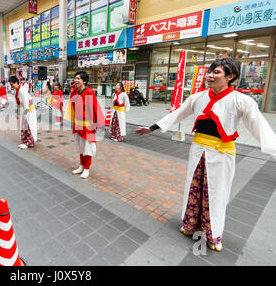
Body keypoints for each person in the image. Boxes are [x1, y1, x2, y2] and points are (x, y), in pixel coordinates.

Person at [135, 58, 276, 252]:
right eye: (210, 71)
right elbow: (177, 114)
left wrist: (273, 148)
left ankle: (213, 235)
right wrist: (152, 128)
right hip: (198, 152)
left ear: (230, 76)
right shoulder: (198, 97)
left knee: (217, 194)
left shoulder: (242, 101)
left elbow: (259, 127)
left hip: (222, 154)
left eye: (216, 72)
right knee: (193, 189)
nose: (210, 75)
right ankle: (190, 224)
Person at [64, 71, 105, 179]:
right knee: (80, 147)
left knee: (88, 147)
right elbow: (72, 106)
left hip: (88, 125)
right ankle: (81, 166)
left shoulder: (89, 92)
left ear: (84, 81)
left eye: (78, 78)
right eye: (75, 78)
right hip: (78, 124)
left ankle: (87, 168)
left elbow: (95, 107)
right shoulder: (74, 92)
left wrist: (99, 124)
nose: (75, 80)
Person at [9, 75, 37, 149]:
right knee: (24, 126)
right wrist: (16, 113)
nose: (11, 86)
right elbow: (16, 102)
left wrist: (25, 114)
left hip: (29, 110)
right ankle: (24, 142)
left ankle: (29, 143)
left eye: (12, 84)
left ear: (16, 82)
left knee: (28, 126)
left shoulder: (22, 90)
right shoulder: (16, 91)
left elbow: (26, 103)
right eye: (10, 84)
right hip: (24, 109)